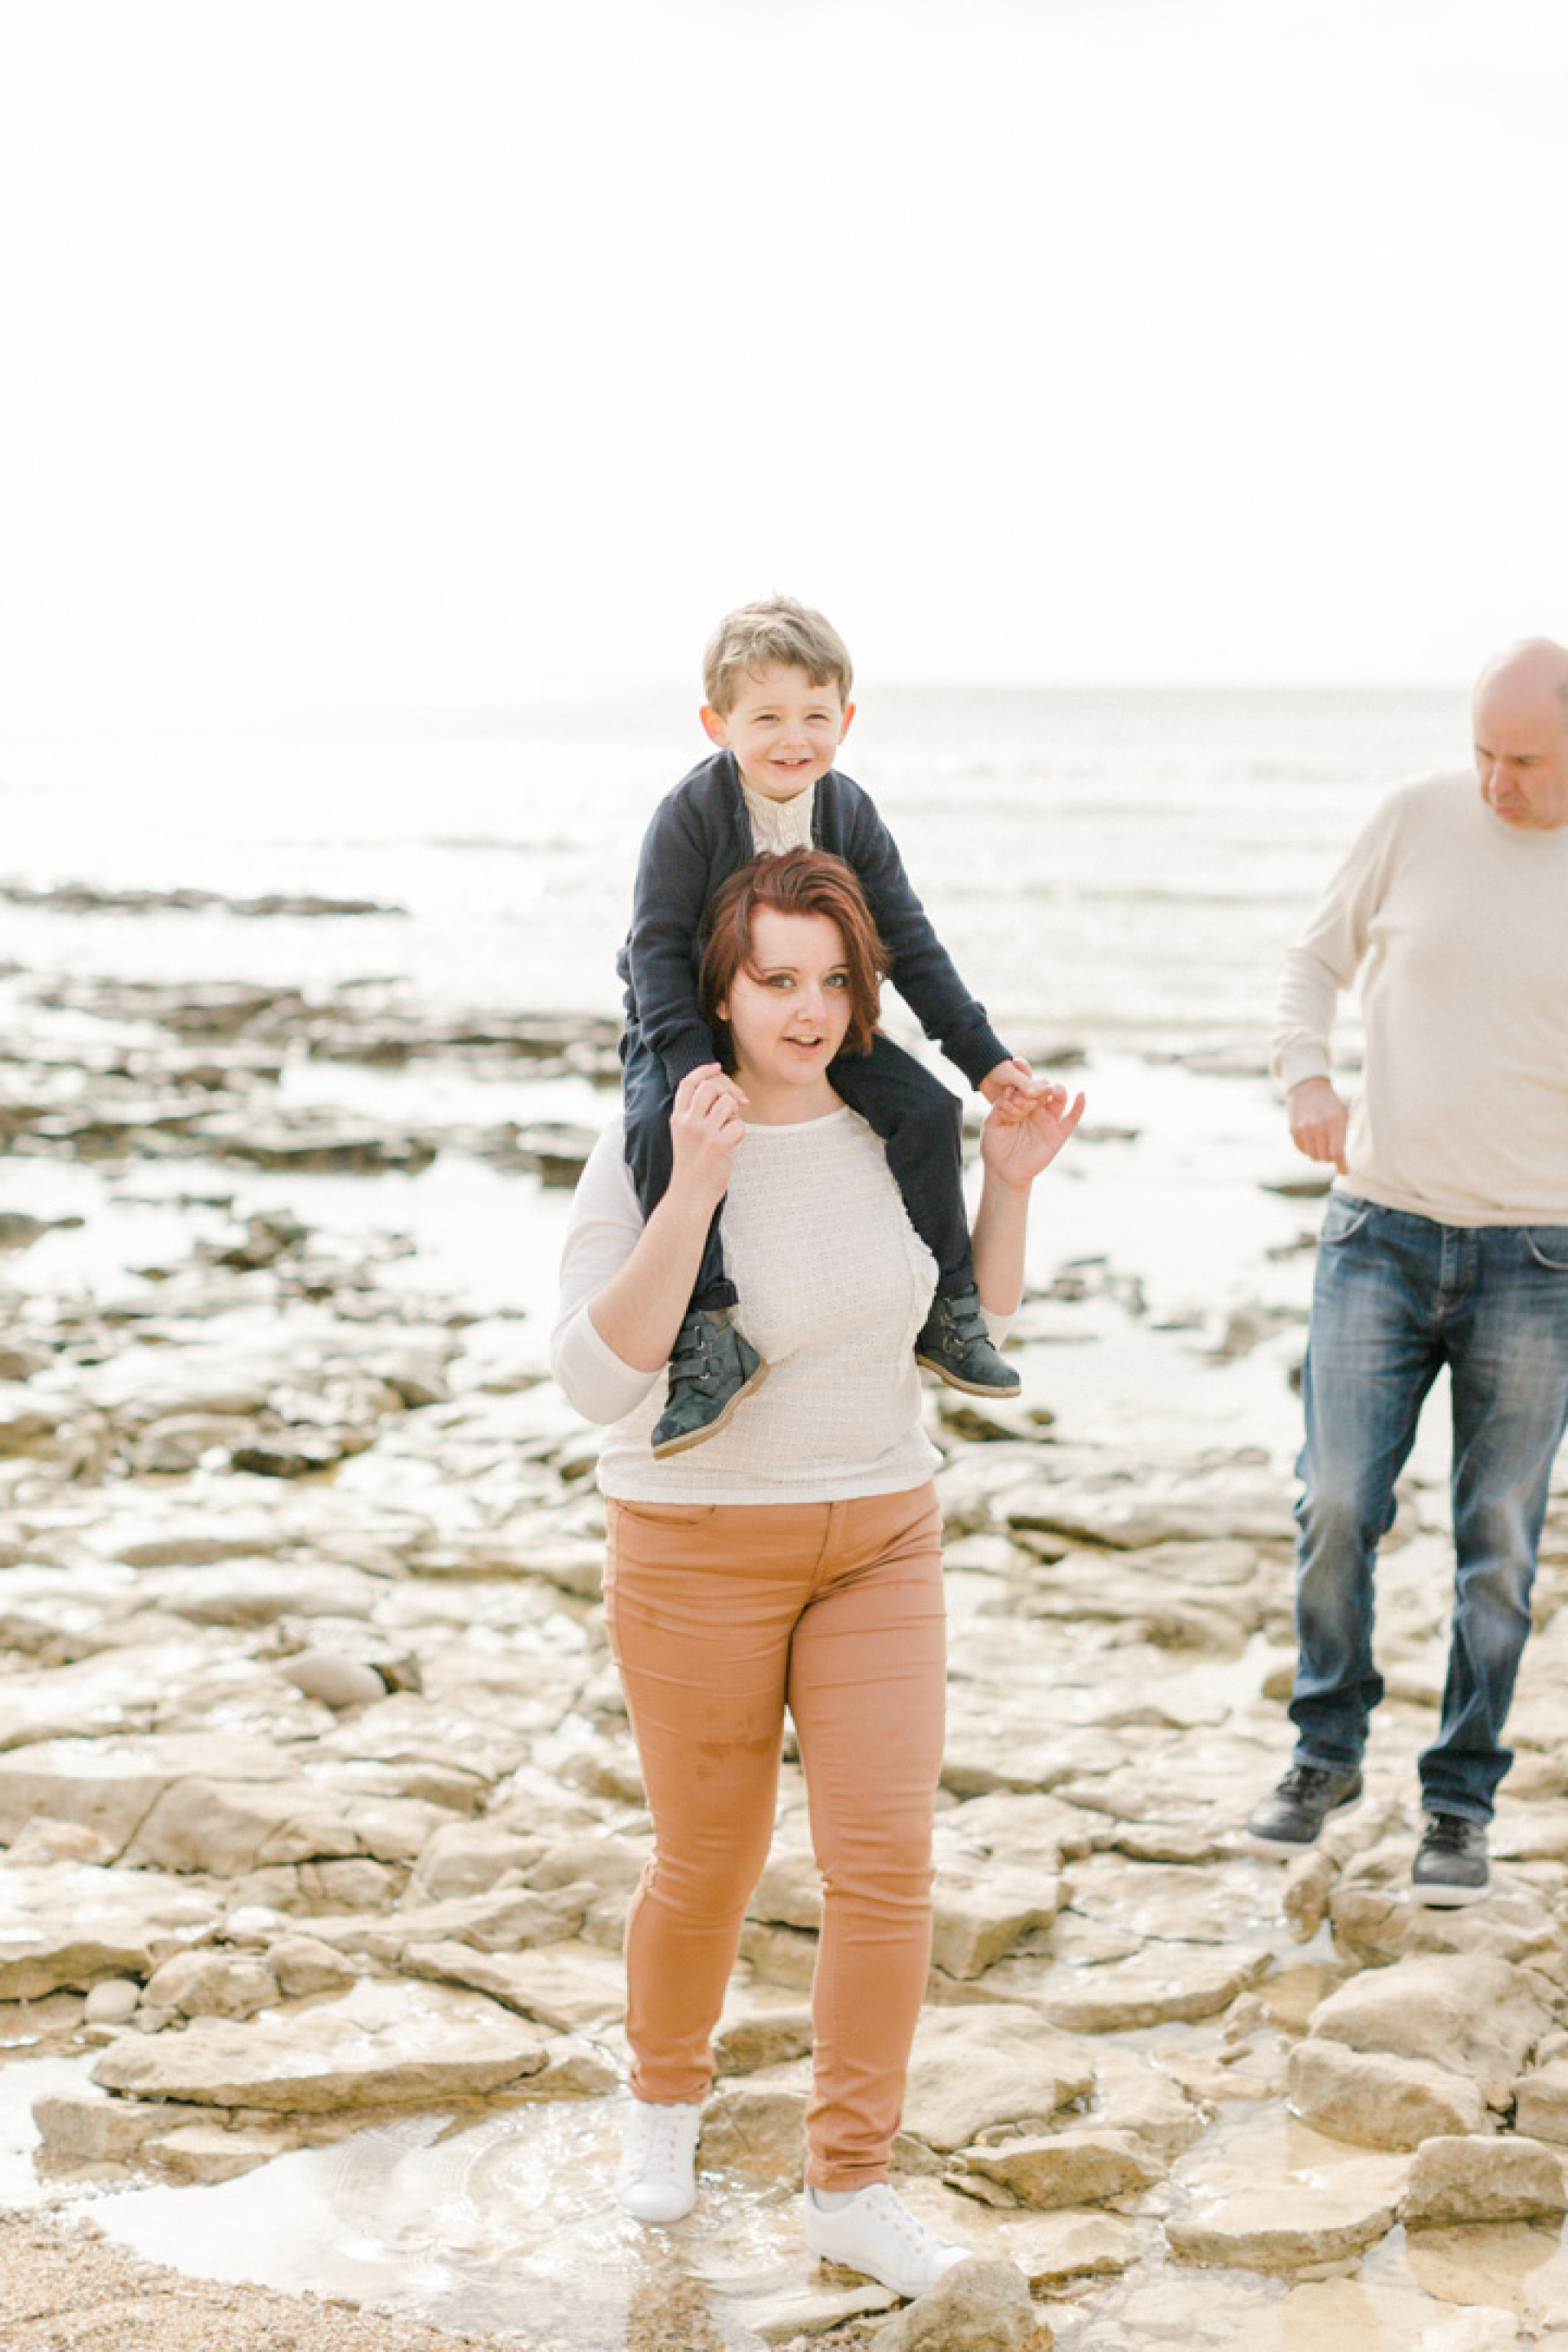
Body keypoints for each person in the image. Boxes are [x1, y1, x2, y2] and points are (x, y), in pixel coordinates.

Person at [552, 849, 1084, 2299]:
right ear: (717, 994)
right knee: (707, 1862)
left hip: (881, 1536)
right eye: (776, 980)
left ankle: (851, 2186)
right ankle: (665, 2099)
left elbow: (965, 1314)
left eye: (835, 980)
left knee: (888, 1868)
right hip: (694, 1547)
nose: (809, 1009)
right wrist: (695, 1186)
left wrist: (1008, 1188)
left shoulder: (893, 1127)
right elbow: (595, 1382)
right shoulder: (649, 1141)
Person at [1245, 638, 1568, 1907]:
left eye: (1524, 761)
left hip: (1539, 1257)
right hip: (1377, 1232)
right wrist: (1306, 1077)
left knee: (1499, 1546)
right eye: (1482, 752)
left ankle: (1459, 1805)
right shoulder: (1414, 821)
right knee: (1335, 1504)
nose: (1493, 783)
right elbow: (1309, 963)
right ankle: (1325, 1752)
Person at [617, 595, 1047, 1458]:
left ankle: (950, 1310)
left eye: (815, 716)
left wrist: (983, 1060)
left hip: (813, 1019)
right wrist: (694, 1067)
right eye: (767, 717)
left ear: (845, 721)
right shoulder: (689, 816)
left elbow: (910, 945)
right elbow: (655, 951)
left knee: (926, 1111)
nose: (794, 738)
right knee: (663, 1129)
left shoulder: (849, 814)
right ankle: (710, 1332)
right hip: (687, 1025)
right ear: (717, 724)